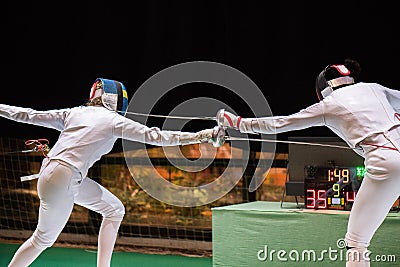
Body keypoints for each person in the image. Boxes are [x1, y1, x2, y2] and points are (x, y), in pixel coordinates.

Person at [0, 78, 221, 267]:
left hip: (57, 175)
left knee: (114, 209)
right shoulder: (113, 120)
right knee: (42, 239)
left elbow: (27, 115)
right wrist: (201, 135)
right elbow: (157, 136)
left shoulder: (74, 113)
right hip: (65, 178)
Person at [218, 58, 400, 267]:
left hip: (386, 164)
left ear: (324, 89)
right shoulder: (374, 88)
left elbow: (281, 123)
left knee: (356, 243)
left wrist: (238, 123)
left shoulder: (329, 105)